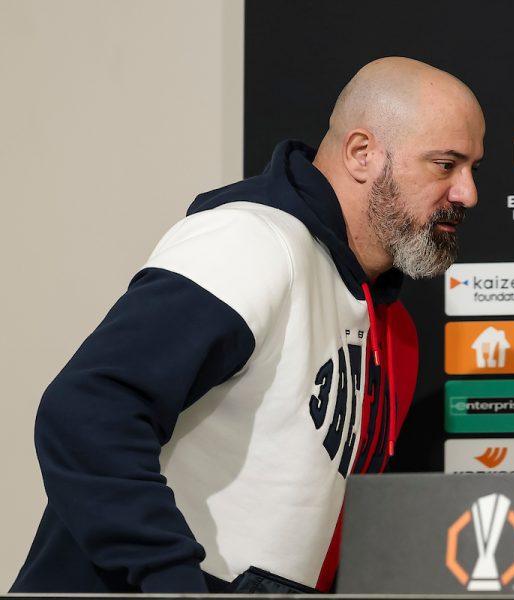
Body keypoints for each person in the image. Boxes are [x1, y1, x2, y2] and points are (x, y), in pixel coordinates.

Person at [11, 56, 484, 594]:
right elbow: (86, 411)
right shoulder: (252, 241)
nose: (468, 193)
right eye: (445, 165)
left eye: (473, 168)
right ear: (362, 153)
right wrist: (174, 582)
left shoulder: (388, 326)